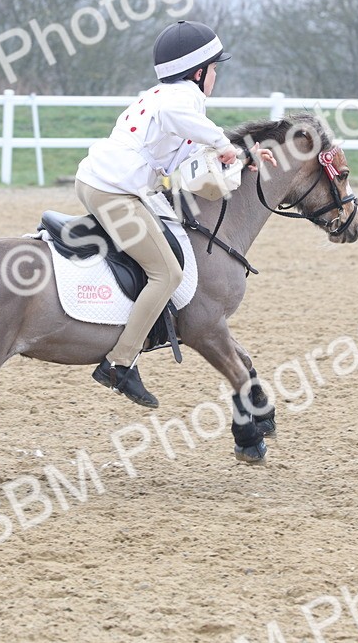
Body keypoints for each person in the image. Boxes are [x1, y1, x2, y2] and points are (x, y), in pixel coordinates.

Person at [74, 20, 272, 408]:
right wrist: (222, 142)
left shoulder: (167, 97)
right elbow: (187, 126)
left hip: (104, 184)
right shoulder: (179, 100)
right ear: (197, 73)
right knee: (167, 273)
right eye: (214, 69)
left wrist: (242, 155)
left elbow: (187, 159)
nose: (216, 76)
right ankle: (118, 363)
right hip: (114, 193)